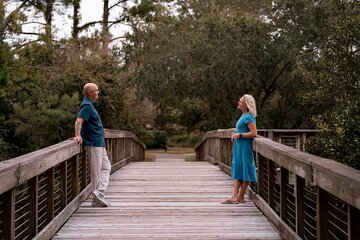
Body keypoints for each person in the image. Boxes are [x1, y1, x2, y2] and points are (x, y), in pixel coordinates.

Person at [73, 83, 111, 207]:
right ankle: (96, 199)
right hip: (93, 143)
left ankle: (99, 193)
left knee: (106, 167)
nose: (98, 92)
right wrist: (78, 135)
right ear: (90, 93)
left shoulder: (91, 105)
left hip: (99, 142)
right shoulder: (87, 106)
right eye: (96, 90)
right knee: (96, 172)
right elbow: (79, 121)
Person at [222, 94, 257, 204]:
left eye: (241, 101)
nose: (238, 102)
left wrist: (240, 135)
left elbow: (254, 133)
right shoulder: (243, 115)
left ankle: (240, 196)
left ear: (246, 104)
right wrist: (235, 135)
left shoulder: (249, 117)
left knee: (245, 170)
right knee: (239, 170)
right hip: (239, 147)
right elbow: (241, 130)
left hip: (245, 147)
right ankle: (235, 196)